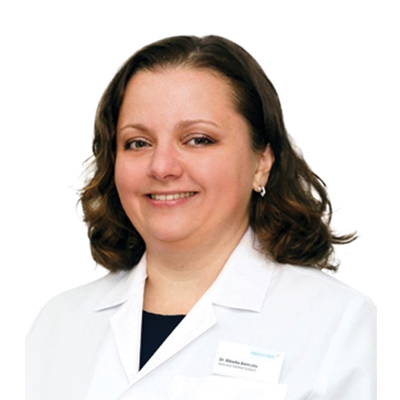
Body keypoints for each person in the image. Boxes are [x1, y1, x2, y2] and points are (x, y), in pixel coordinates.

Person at [26, 35, 376, 400]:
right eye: (138, 143)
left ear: (261, 163)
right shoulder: (56, 326)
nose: (161, 167)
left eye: (198, 139)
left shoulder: (339, 323)